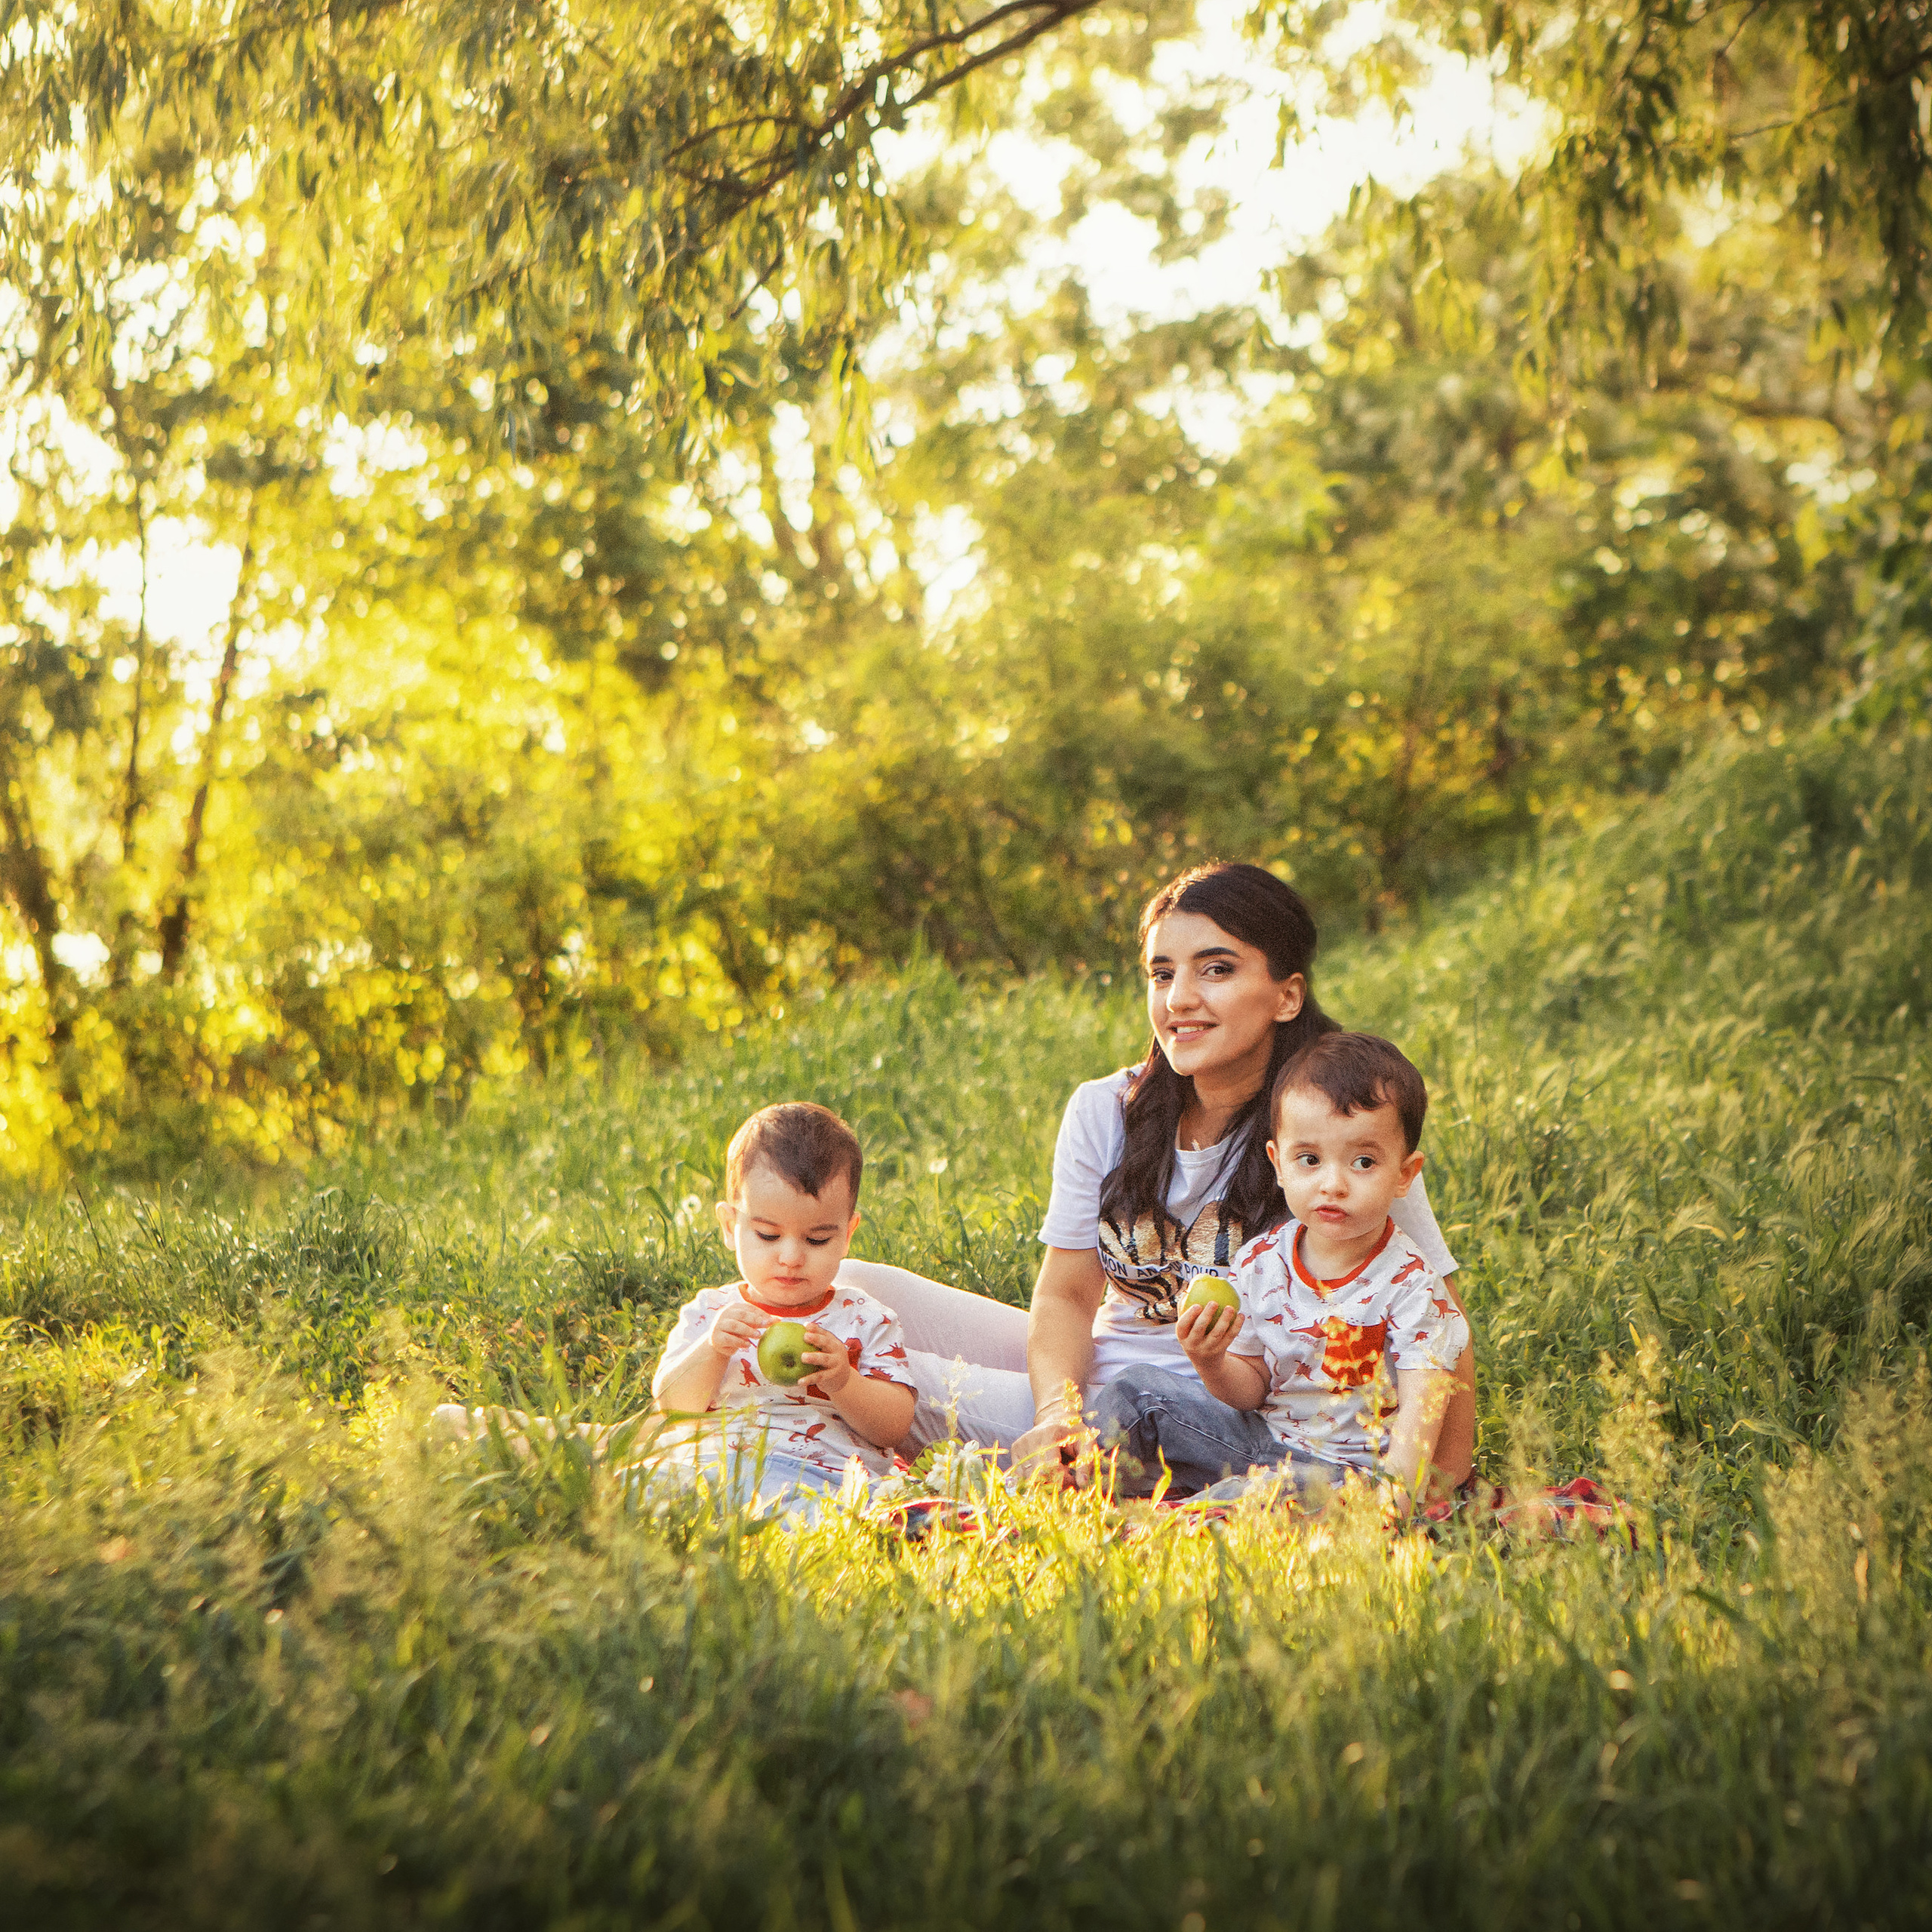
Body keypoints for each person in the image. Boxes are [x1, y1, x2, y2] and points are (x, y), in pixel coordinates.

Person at [832, 861, 1475, 1489]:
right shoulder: (1104, 1109)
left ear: (1287, 996)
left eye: (1216, 969)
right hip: (1095, 1386)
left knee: (850, 1366)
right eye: (1162, 974)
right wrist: (1058, 1413)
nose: (1179, 999)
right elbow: (1066, 1296)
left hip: (1210, 1414)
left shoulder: (1338, 1129)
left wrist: (1445, 1481)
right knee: (849, 1286)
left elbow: (1438, 1312)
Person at [435, 1103, 915, 1524]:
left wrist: (844, 1382)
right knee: (633, 1487)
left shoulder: (864, 1318)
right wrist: (712, 1351)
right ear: (729, 1225)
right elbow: (671, 1404)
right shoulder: (713, 1311)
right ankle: (488, 1440)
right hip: (706, 1461)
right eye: (768, 1235)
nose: (790, 1257)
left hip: (818, 1476)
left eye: (817, 1239)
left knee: (812, 1519)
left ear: (848, 1233)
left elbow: (895, 1426)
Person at [1091, 1031, 1469, 1509]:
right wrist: (1210, 1360)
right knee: (1135, 1391)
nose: (1333, 1184)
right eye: (1309, 1160)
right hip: (1261, 1440)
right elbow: (1251, 1389)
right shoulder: (1261, 1261)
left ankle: (1190, 1521)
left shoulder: (1413, 1285)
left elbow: (1422, 1412)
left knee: (1258, 1496)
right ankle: (1077, 1486)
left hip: (1347, 1476)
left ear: (1404, 1174)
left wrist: (1390, 1505)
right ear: (1278, 1164)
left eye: (1363, 1162)